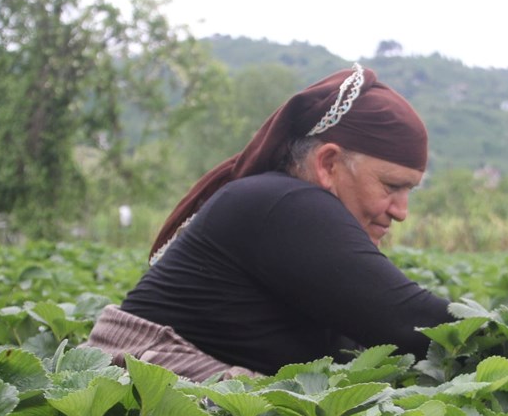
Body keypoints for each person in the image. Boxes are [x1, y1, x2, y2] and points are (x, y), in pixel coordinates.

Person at [85, 63, 451, 380]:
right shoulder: (288, 203)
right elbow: (411, 323)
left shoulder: (285, 208)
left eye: (410, 192)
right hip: (134, 392)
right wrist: (506, 335)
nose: (401, 210)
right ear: (327, 164)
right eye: (391, 186)